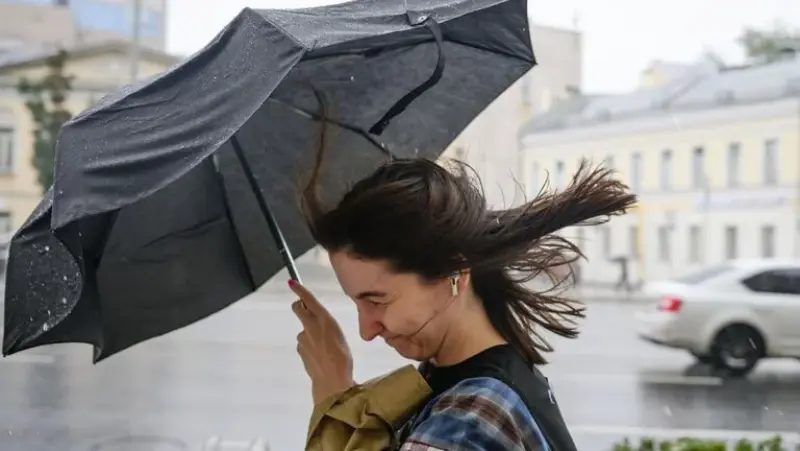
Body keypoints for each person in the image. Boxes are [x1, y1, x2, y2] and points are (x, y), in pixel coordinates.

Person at [290, 121, 637, 451]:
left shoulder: (474, 416)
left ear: (453, 272)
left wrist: (333, 392)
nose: (366, 330)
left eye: (378, 301)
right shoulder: (482, 377)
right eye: (356, 303)